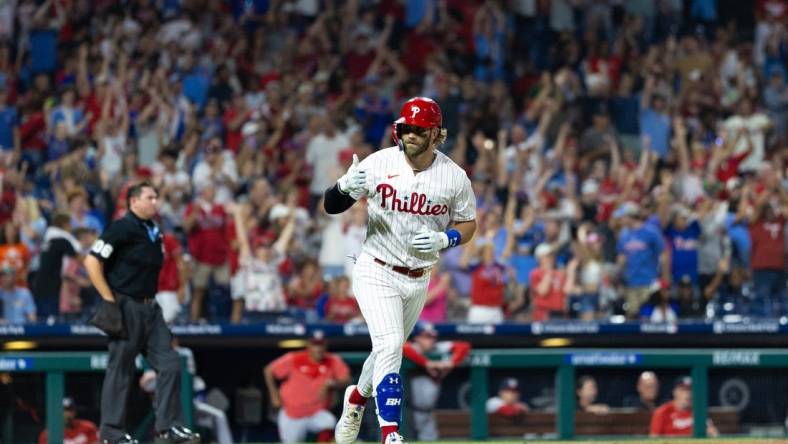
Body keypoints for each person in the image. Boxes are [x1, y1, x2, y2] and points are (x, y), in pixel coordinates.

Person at [325, 97, 477, 444]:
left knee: (385, 350)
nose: (410, 134)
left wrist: (446, 237)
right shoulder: (379, 163)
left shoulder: (454, 177)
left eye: (418, 129)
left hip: (418, 277)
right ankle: (391, 433)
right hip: (375, 268)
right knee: (391, 343)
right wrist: (342, 188)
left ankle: (357, 399)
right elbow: (331, 206)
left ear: (436, 134)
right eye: (406, 127)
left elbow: (469, 223)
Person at [84, 181, 199, 444]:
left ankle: (168, 427)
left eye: (157, 198)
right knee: (121, 369)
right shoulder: (122, 227)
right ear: (133, 201)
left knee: (170, 363)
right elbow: (91, 261)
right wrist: (108, 300)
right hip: (126, 304)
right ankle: (111, 433)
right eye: (149, 198)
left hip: (151, 307)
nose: (155, 202)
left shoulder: (153, 229)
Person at [263, 331, 351, 443]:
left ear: (325, 346)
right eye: (315, 345)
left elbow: (346, 379)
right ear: (308, 345)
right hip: (292, 413)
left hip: (316, 412)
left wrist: (331, 383)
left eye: (321, 345)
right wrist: (274, 395)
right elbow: (268, 370)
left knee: (329, 422)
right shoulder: (294, 358)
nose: (318, 348)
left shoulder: (332, 360)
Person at [402, 322, 470, 440]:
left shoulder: (438, 347)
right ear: (417, 338)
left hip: (428, 413)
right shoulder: (413, 348)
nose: (431, 340)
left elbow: (464, 346)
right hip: (409, 412)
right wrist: (426, 363)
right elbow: (403, 347)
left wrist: (452, 362)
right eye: (427, 337)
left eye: (433, 337)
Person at [650, 376, 719, 437]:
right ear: (674, 392)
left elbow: (713, 434)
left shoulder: (699, 411)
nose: (688, 394)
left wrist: (712, 434)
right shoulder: (663, 412)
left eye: (690, 390)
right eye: (683, 390)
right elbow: (654, 439)